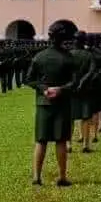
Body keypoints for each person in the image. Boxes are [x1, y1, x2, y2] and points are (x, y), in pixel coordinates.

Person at [25, 22, 79, 187]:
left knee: (41, 141)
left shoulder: (39, 57)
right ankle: (62, 176)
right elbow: (75, 82)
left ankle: (36, 177)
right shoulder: (68, 57)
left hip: (43, 103)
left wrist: (44, 89)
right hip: (62, 103)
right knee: (61, 140)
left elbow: (28, 79)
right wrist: (60, 89)